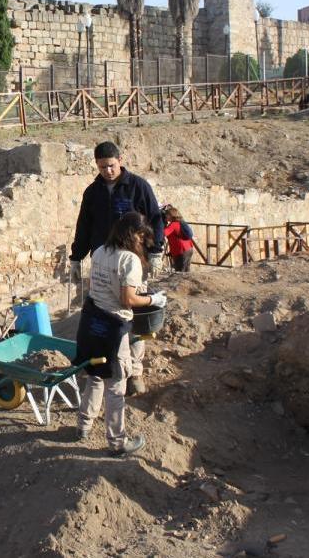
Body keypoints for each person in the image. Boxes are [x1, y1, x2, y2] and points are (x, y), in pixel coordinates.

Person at [69, 141, 165, 396]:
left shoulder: (137, 187)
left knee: (131, 311)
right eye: (102, 167)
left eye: (111, 165)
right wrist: (76, 258)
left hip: (133, 261)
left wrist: (155, 251)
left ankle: (134, 371)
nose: (108, 171)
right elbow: (84, 226)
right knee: (102, 313)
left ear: (120, 160)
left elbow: (155, 219)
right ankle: (106, 362)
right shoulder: (93, 192)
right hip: (102, 260)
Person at [73, 211, 165, 456]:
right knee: (116, 385)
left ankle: (83, 425)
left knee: (94, 374)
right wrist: (152, 298)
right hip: (114, 327)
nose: (142, 243)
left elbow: (97, 286)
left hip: (92, 321)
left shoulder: (101, 251)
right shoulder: (129, 260)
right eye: (142, 237)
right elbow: (128, 299)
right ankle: (117, 442)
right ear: (134, 234)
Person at [161, 205, 195, 272]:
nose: (166, 216)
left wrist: (160, 225)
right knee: (185, 271)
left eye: (167, 215)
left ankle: (183, 282)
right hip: (187, 249)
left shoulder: (173, 224)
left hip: (181, 251)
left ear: (171, 215)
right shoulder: (179, 223)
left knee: (180, 272)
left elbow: (163, 234)